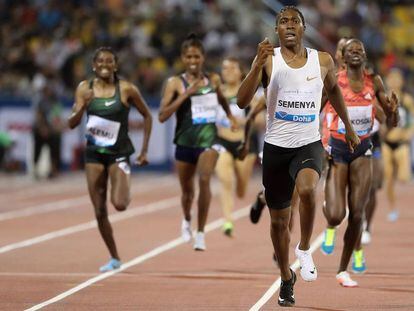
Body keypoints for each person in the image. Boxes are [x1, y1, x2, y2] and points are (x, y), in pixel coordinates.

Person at [237, 6, 360, 307]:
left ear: (304, 28)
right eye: (283, 22)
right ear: (277, 30)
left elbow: (334, 93)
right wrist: (256, 66)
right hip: (276, 148)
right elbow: (241, 102)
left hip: (308, 144)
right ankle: (285, 277)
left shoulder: (323, 61)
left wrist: (349, 127)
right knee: (279, 223)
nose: (289, 25)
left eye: (295, 21)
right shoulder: (269, 59)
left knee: (307, 190)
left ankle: (304, 249)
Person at [321, 39, 398, 287]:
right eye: (351, 50)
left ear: (365, 56)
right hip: (338, 148)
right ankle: (328, 207)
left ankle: (343, 270)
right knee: (335, 214)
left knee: (357, 213)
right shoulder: (334, 79)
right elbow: (316, 112)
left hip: (363, 149)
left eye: (360, 50)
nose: (355, 53)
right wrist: (318, 143)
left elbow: (390, 122)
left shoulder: (374, 81)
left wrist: (393, 111)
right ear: (344, 56)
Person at [68, 47, 152, 272]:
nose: (105, 64)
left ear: (115, 65)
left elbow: (147, 115)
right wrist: (83, 106)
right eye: (100, 61)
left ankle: (124, 185)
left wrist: (143, 151)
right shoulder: (84, 88)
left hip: (119, 153)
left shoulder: (126, 89)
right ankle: (114, 257)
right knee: (98, 210)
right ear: (94, 66)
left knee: (120, 204)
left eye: (109, 61)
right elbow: (71, 123)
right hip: (94, 153)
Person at [159, 34, 237, 251]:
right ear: (183, 58)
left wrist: (230, 116)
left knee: (204, 179)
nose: (193, 60)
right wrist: (185, 95)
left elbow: (221, 98)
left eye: (197, 56)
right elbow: (162, 115)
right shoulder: (175, 83)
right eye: (189, 56)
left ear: (203, 58)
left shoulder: (212, 79)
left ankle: (201, 233)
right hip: (185, 142)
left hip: (208, 140)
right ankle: (186, 218)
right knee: (187, 192)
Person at [214, 57, 260, 236]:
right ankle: (227, 221)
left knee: (241, 189)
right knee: (225, 180)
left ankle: (241, 187)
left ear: (241, 72)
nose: (228, 72)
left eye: (232, 68)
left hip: (244, 146)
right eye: (225, 69)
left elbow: (261, 120)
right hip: (222, 141)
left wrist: (240, 121)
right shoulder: (218, 93)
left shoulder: (249, 94)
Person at [382, 68, 414, 222]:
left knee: (403, 177)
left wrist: (409, 132)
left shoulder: (407, 100)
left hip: (402, 143)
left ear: (402, 81)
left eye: (397, 78)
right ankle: (392, 208)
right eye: (391, 78)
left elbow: (412, 120)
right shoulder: (383, 98)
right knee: (388, 179)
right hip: (387, 143)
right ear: (387, 81)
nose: (394, 81)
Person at [32, 84, 64, 178]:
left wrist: (55, 128)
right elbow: (38, 116)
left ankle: (54, 168)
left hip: (51, 130)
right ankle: (35, 167)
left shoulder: (56, 103)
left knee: (57, 139)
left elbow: (57, 118)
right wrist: (42, 128)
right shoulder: (40, 101)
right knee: (37, 146)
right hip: (41, 129)